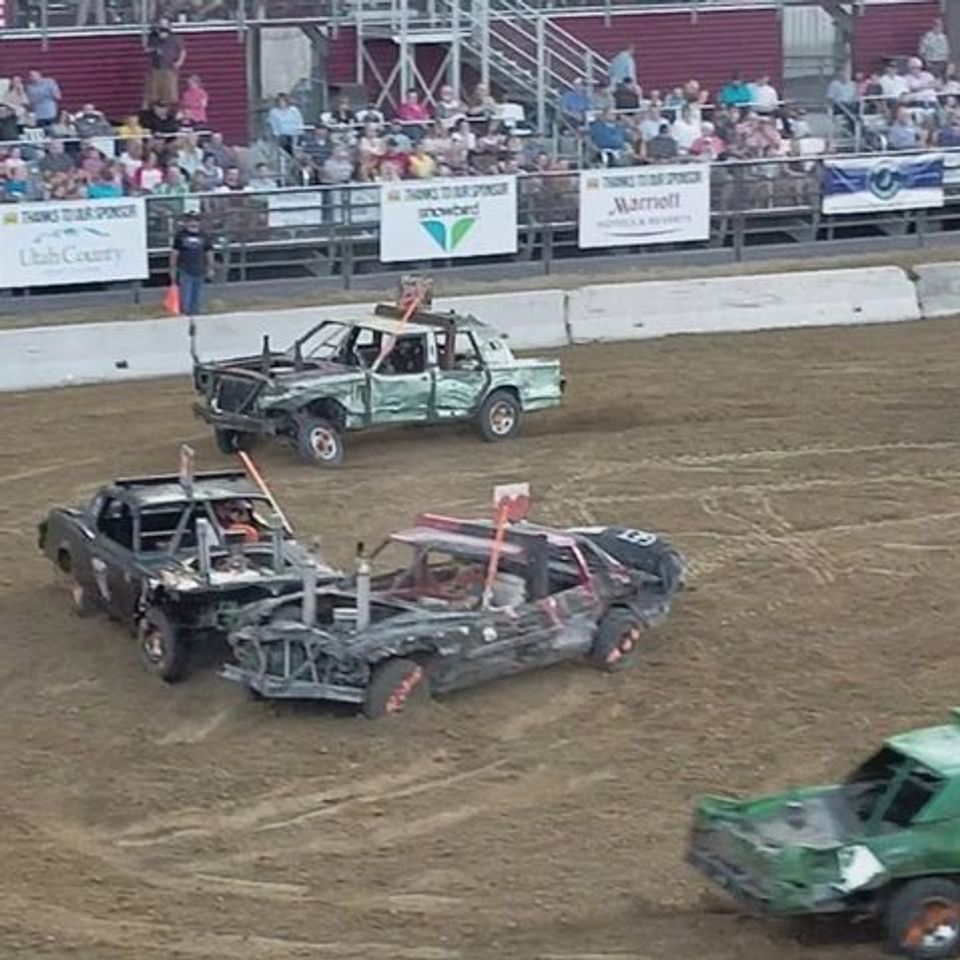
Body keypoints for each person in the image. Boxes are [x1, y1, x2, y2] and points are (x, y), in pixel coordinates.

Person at [170, 212, 214, 317]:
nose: (193, 223)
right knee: (186, 296)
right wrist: (172, 269)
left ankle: (196, 314)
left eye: (195, 221)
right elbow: (175, 253)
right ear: (186, 223)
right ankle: (186, 314)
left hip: (200, 269)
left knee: (198, 295)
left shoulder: (204, 236)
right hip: (185, 270)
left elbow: (209, 252)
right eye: (190, 221)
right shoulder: (180, 236)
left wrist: (211, 268)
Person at [145, 17, 186, 106]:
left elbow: (182, 51)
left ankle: (170, 114)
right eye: (160, 23)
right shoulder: (153, 37)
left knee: (171, 94)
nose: (162, 25)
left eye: (164, 23)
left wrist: (179, 62)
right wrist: (155, 49)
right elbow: (147, 49)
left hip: (170, 68)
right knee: (154, 94)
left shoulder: (175, 38)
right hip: (156, 68)